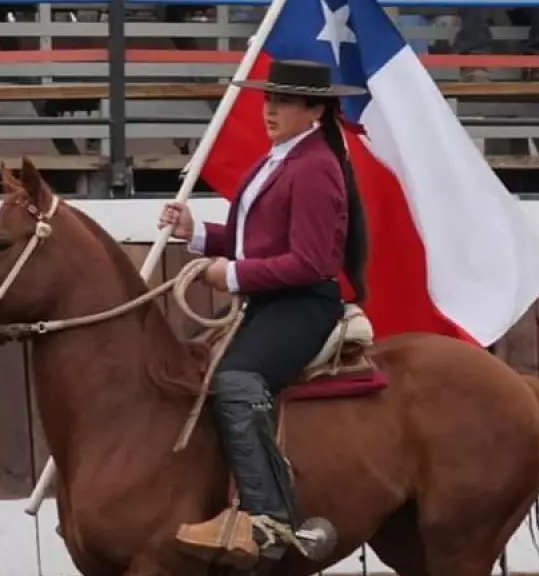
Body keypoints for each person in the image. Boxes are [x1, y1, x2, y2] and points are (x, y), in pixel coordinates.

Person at [157, 59, 370, 568]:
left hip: (302, 305)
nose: (270, 109)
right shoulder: (278, 158)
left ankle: (270, 519)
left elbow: (311, 262)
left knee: (235, 379)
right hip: (270, 302)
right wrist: (198, 232)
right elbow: (257, 237)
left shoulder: (316, 167)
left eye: (285, 101)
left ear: (315, 109)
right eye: (269, 99)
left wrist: (230, 275)